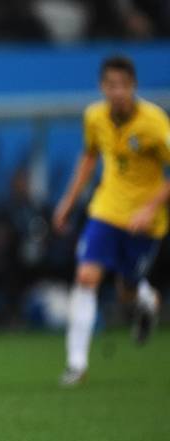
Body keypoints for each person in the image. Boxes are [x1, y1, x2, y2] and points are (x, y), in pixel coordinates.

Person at [52, 55, 170, 387]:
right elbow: (89, 156)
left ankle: (146, 299)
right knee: (86, 276)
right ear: (102, 87)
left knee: (125, 291)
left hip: (145, 221)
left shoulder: (154, 122)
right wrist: (68, 201)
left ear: (133, 86)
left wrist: (149, 208)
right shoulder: (94, 117)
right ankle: (76, 364)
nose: (117, 92)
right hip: (106, 210)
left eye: (123, 85)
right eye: (110, 85)